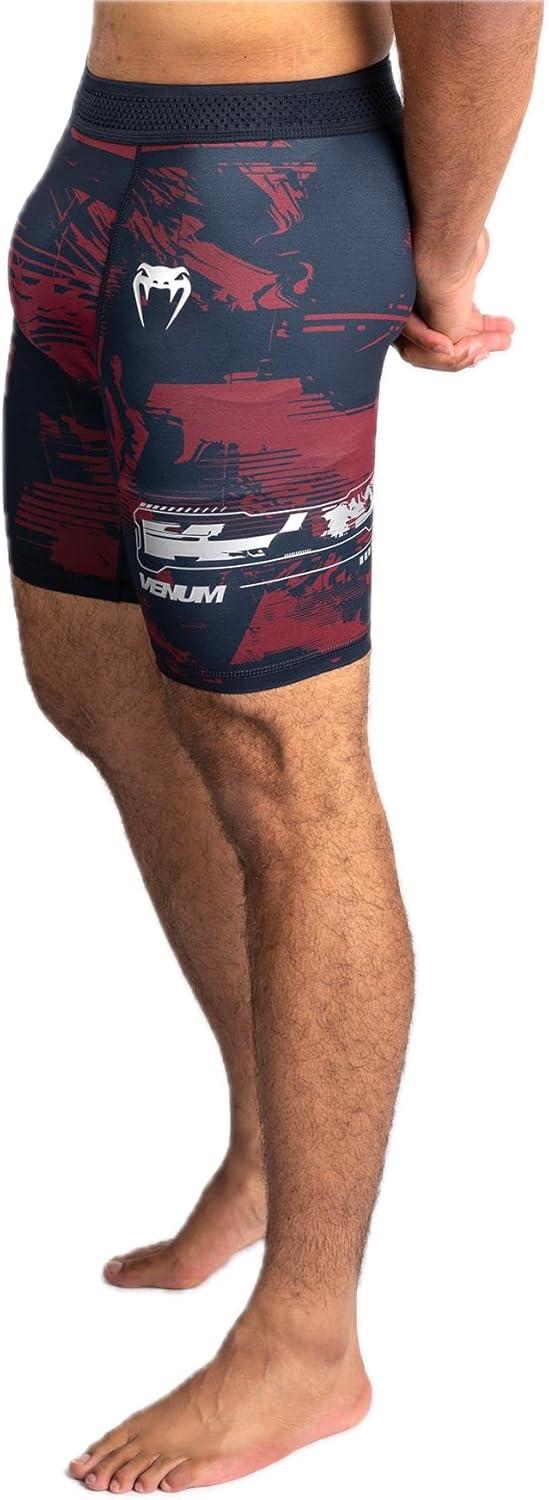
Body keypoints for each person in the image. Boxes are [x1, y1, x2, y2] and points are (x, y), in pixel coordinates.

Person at [3, 2, 542, 1492]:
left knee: (283, 766)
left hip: (266, 199)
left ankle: (311, 1334)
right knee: (97, 684)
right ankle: (266, 1142)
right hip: (97, 169)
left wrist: (445, 252)